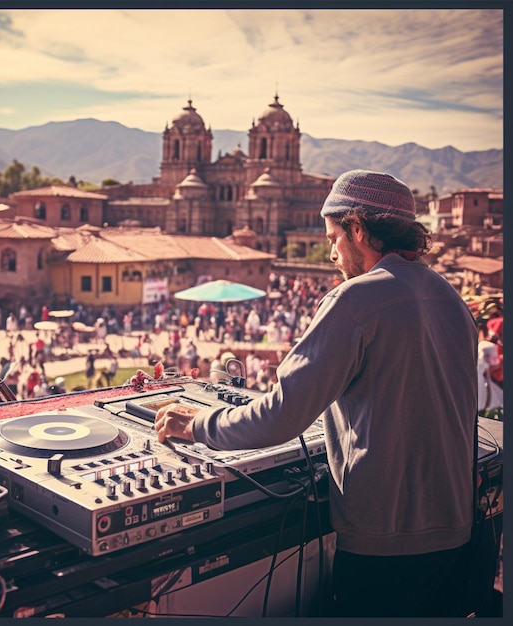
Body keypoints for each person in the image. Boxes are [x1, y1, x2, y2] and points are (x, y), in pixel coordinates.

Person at [155, 170, 478, 618]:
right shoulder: (451, 298)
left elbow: (282, 415)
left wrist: (196, 424)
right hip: (458, 534)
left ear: (358, 230)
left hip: (386, 542)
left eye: (333, 237)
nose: (330, 253)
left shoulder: (356, 299)